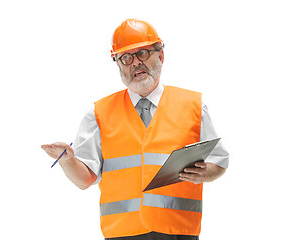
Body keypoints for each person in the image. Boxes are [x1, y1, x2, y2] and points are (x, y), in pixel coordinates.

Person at [41, 19, 229, 240]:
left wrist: (207, 172)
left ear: (160, 56)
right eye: (126, 58)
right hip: (122, 233)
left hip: (178, 231)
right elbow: (84, 180)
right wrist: (66, 160)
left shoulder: (193, 106)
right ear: (118, 64)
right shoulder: (98, 114)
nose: (135, 63)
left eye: (142, 53)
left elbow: (219, 161)